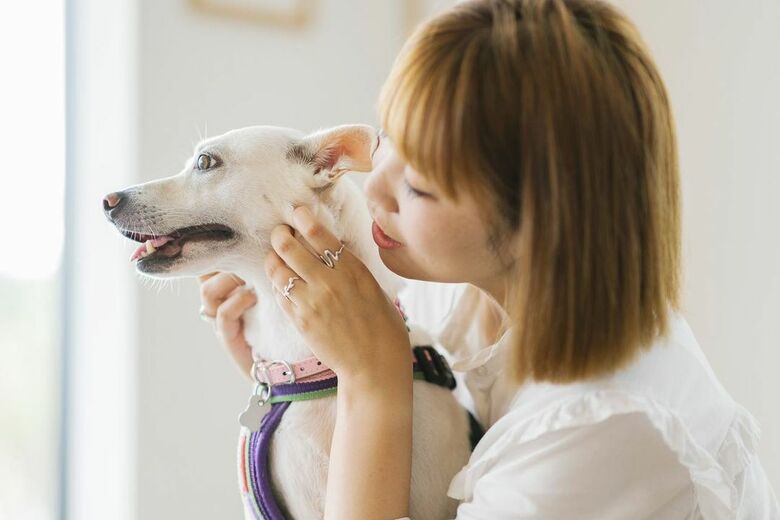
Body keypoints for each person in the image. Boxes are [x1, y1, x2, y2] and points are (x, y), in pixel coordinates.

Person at [197, 0, 780, 518]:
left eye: (421, 186)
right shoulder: (455, 292)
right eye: (389, 139)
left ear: (542, 221)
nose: (373, 188)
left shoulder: (602, 430)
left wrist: (372, 382)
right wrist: (299, 378)